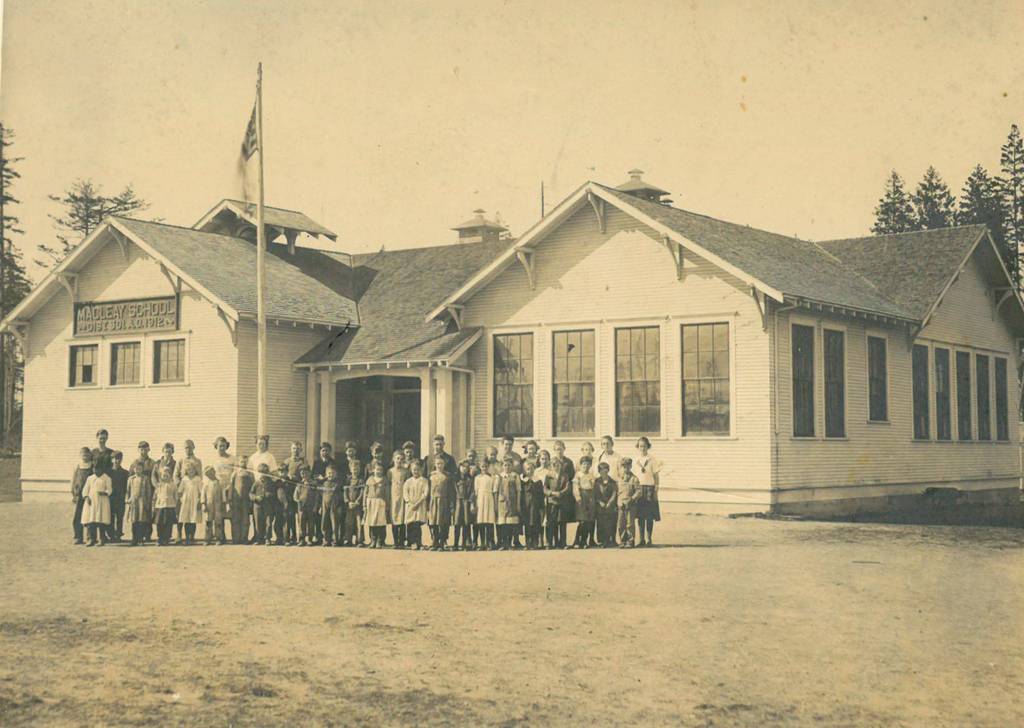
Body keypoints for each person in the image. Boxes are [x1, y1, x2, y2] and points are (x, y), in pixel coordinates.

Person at [633, 437, 661, 547]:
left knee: (649, 516)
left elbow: (656, 475)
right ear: (638, 447)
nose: (642, 448)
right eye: (640, 446)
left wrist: (656, 489)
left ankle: (649, 539)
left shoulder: (652, 459)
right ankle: (641, 540)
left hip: (649, 489)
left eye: (644, 446)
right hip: (639, 489)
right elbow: (634, 476)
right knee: (640, 516)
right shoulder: (635, 460)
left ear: (648, 446)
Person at [81, 454, 112, 546]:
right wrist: (86, 497)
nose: (96, 470)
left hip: (102, 502)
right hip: (91, 502)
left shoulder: (106, 478)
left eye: (98, 468)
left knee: (101, 521)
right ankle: (91, 539)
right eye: (94, 468)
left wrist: (105, 493)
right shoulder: (90, 478)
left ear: (102, 469)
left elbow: (109, 489)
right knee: (91, 521)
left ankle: (102, 539)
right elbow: (85, 490)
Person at [551, 440, 575, 549]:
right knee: (554, 520)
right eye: (557, 449)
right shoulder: (552, 462)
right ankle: (555, 542)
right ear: (554, 450)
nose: (559, 451)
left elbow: (570, 478)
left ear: (564, 449)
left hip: (564, 495)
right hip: (553, 496)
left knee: (563, 520)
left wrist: (563, 491)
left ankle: (563, 542)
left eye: (560, 449)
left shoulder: (568, 462)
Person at [125, 459, 153, 546]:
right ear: (133, 469)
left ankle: (141, 539)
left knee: (142, 521)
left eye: (140, 469)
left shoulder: (145, 478)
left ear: (142, 469)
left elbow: (148, 491)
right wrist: (127, 499)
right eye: (136, 469)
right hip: (133, 502)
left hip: (142, 502)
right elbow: (128, 491)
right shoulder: (131, 479)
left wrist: (148, 502)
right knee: (134, 521)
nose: (138, 470)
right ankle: (134, 539)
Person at [495, 456, 521, 550]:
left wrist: (518, 503)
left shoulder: (515, 476)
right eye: (505, 465)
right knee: (503, 524)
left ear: (512, 466)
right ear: (502, 466)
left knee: (511, 523)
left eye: (509, 465)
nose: (507, 467)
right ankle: (503, 543)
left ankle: (510, 543)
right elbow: (495, 491)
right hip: (501, 503)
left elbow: (518, 490)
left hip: (512, 502)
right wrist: (496, 505)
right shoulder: (499, 476)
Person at [403, 459, 429, 551]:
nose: (416, 472)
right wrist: (409, 502)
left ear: (421, 470)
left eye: (418, 469)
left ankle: (418, 542)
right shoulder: (408, 481)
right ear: (411, 470)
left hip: (419, 504)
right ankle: (411, 542)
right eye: (414, 470)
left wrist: (418, 503)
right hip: (410, 505)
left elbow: (425, 493)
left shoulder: (424, 481)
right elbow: (405, 492)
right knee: (410, 524)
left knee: (417, 525)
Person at [427, 455, 453, 551]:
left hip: (444, 500)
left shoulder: (447, 476)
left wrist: (450, 503)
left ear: (444, 464)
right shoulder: (431, 476)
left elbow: (450, 490)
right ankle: (435, 541)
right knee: (433, 522)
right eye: (438, 463)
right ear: (435, 464)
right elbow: (428, 490)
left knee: (443, 522)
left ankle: (442, 542)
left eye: (441, 463)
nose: (439, 465)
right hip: (433, 500)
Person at [573, 455, 597, 548]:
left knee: (589, 520)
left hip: (590, 497)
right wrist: (578, 497)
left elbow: (593, 487)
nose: (585, 466)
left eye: (587, 464)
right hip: (581, 497)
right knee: (582, 521)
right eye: (584, 464)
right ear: (580, 465)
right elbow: (575, 488)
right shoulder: (578, 475)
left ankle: (584, 541)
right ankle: (577, 541)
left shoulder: (591, 475)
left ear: (590, 465)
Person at [228, 455, 253, 545]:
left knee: (245, 519)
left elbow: (252, 488)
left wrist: (251, 500)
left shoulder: (250, 474)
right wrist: (230, 499)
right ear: (238, 462)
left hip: (246, 500)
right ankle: (235, 538)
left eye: (245, 461)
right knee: (235, 519)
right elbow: (231, 487)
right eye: (242, 461)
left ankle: (244, 538)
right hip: (236, 499)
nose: (243, 463)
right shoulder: (235, 473)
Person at [70, 447, 93, 545]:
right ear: (80, 455)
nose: (85, 457)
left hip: (89, 495)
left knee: (89, 516)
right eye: (83, 455)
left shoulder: (92, 466)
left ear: (90, 455)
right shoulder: (77, 466)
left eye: (87, 454)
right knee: (77, 516)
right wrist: (73, 493)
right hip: (79, 494)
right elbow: (73, 480)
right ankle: (78, 537)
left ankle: (90, 537)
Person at [177, 461, 203, 545]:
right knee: (186, 519)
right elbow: (180, 491)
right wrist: (181, 500)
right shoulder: (184, 479)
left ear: (195, 470)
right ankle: (187, 536)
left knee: (193, 519)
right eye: (188, 470)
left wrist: (200, 501)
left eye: (192, 470)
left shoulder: (198, 479)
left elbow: (201, 491)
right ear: (186, 471)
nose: (190, 471)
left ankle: (192, 536)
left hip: (195, 500)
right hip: (185, 501)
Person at [520, 459, 545, 549]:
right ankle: (528, 542)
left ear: (534, 469)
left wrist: (542, 507)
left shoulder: (538, 481)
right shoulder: (523, 481)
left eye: (531, 469)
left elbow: (541, 495)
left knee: (535, 523)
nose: (529, 471)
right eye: (527, 469)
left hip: (535, 506)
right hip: (526, 505)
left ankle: (535, 542)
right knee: (527, 524)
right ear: (524, 470)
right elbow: (521, 494)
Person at [363, 462, 389, 548]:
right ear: (373, 470)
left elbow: (387, 493)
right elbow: (365, 493)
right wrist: (364, 505)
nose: (379, 471)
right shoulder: (370, 479)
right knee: (372, 522)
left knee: (380, 522)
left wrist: (387, 504)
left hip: (381, 503)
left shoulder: (384, 480)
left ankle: (380, 541)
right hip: (371, 502)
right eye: (377, 469)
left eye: (381, 470)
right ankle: (373, 540)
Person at [387, 450, 409, 549]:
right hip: (393, 497)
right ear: (394, 459)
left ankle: (401, 541)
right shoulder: (390, 471)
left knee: (402, 518)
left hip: (402, 497)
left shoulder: (405, 471)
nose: (399, 461)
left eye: (401, 459)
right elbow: (388, 484)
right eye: (397, 458)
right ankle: (395, 541)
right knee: (394, 518)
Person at [451, 459, 474, 551]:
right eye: (463, 466)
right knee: (457, 523)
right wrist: (452, 505)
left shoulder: (470, 479)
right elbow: (452, 492)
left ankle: (465, 544)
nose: (464, 469)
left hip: (466, 503)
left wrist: (471, 502)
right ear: (459, 467)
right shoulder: (455, 478)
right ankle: (455, 543)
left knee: (466, 523)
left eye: (467, 467)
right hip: (457, 502)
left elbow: (473, 491)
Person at [201, 466, 227, 545]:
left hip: (218, 505)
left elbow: (223, 494)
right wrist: (203, 504)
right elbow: (203, 494)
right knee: (208, 522)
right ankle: (207, 538)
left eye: (210, 473)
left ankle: (218, 538)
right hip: (209, 505)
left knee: (218, 522)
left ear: (214, 472)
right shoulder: (206, 484)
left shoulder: (219, 482)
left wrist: (223, 503)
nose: (209, 475)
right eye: (207, 474)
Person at [594, 461, 618, 547]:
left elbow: (614, 493)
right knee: (601, 523)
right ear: (599, 471)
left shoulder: (613, 482)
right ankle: (601, 541)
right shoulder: (596, 481)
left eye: (605, 469)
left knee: (611, 523)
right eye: (601, 470)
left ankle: (612, 540)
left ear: (608, 470)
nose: (603, 471)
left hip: (610, 506)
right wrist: (599, 502)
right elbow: (595, 493)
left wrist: (609, 503)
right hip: (600, 506)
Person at [153, 465, 178, 546]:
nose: (165, 476)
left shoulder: (173, 485)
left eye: (167, 475)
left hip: (170, 506)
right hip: (160, 506)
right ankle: (160, 538)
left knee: (168, 523)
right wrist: (154, 506)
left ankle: (166, 538)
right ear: (161, 476)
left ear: (170, 475)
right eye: (164, 475)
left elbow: (176, 496)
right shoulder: (159, 485)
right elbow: (155, 496)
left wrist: (175, 505)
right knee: (159, 523)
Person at [617, 458, 639, 548]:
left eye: (628, 466)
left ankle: (630, 541)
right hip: (621, 504)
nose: (626, 468)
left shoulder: (634, 479)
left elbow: (638, 491)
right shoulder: (619, 479)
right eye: (624, 467)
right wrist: (619, 502)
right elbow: (617, 491)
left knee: (630, 523)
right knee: (621, 523)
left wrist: (632, 499)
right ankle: (623, 540)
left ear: (630, 467)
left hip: (630, 504)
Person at [107, 451, 129, 543]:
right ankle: (111, 535)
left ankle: (119, 535)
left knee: (120, 517)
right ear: (112, 460)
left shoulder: (125, 472)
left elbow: (127, 487)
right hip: (110, 498)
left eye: (119, 459)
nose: (117, 461)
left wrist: (126, 497)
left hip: (120, 498)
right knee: (111, 517)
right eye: (115, 459)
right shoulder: (108, 472)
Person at [320, 464, 343, 547]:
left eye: (332, 473)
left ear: (336, 474)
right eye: (329, 473)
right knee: (324, 523)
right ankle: (326, 540)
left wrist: (339, 507)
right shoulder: (324, 483)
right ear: (326, 474)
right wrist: (320, 507)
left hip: (335, 506)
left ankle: (335, 540)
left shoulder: (338, 483)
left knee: (335, 523)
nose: (331, 475)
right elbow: (322, 496)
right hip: (325, 505)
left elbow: (341, 496)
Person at [250, 463, 274, 546]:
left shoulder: (271, 482)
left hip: (268, 505)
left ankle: (267, 538)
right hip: (258, 506)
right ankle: (259, 538)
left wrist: (270, 494)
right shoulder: (256, 483)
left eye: (265, 472)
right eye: (261, 472)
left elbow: (275, 493)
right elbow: (250, 493)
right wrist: (256, 498)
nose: (263, 475)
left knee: (268, 522)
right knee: (258, 522)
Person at [343, 459, 364, 546]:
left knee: (359, 523)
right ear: (350, 469)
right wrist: (348, 502)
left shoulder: (361, 480)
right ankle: (348, 539)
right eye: (353, 469)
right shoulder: (348, 480)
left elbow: (362, 492)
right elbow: (345, 492)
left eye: (357, 469)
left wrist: (357, 501)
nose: (355, 471)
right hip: (349, 506)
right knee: (349, 523)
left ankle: (359, 540)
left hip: (357, 505)